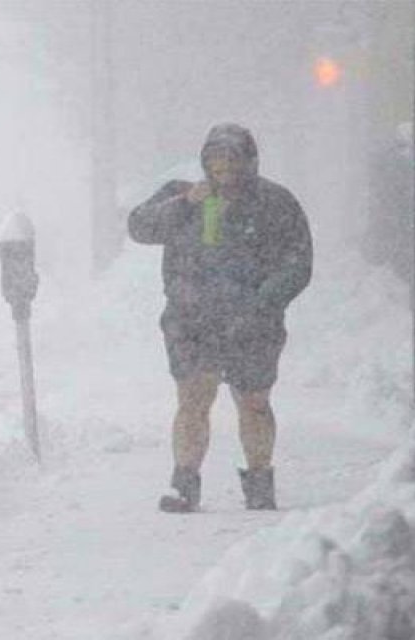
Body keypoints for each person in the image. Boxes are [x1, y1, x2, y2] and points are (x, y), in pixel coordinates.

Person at [128, 123, 312, 513]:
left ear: (249, 161)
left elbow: (298, 264)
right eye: (215, 158)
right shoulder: (183, 196)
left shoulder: (275, 203)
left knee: (254, 401)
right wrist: (185, 204)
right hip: (192, 320)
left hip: (253, 324)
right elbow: (139, 226)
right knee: (193, 398)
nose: (223, 166)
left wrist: (261, 303)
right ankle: (184, 484)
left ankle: (260, 482)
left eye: (232, 158)